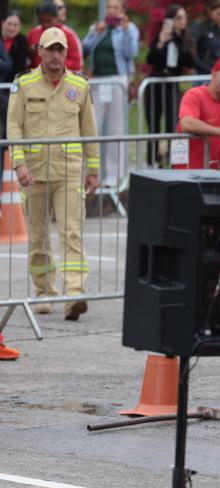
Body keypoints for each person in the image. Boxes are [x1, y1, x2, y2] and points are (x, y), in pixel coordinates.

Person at [7, 27, 100, 320]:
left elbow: (90, 130)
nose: (57, 55)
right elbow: (13, 126)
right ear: (41, 52)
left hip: (69, 170)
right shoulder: (23, 85)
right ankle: (44, 292)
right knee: (37, 237)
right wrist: (19, 163)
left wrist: (94, 169)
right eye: (52, 49)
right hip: (33, 172)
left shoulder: (79, 86)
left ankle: (74, 295)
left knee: (72, 232)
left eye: (62, 50)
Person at [82, 0, 139, 191]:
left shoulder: (129, 29)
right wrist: (96, 32)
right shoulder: (99, 28)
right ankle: (94, 172)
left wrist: (123, 31)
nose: (111, 11)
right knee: (95, 126)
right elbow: (85, 49)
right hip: (99, 81)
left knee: (116, 128)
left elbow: (131, 52)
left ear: (123, 11)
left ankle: (114, 175)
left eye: (116, 8)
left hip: (117, 80)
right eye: (109, 7)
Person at [145, 4, 196, 166]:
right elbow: (150, 59)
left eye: (184, 17)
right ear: (171, 20)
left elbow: (189, 62)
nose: (183, 21)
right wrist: (161, 42)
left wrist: (180, 39)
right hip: (155, 83)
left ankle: (171, 159)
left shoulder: (185, 39)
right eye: (179, 18)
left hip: (172, 84)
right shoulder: (162, 37)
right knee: (154, 124)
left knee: (172, 123)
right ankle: (152, 159)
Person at [26, 2, 81, 72]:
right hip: (37, 79)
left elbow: (76, 64)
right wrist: (31, 53)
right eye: (42, 21)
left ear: (56, 17)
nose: (46, 24)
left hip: (62, 78)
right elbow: (27, 61)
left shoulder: (68, 34)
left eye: (49, 21)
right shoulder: (33, 33)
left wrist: (53, 64)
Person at [0, 11, 29, 137]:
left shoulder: (22, 41)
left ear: (20, 26)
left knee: (9, 123)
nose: (11, 28)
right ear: (2, 23)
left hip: (10, 88)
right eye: (9, 24)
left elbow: (19, 68)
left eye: (15, 25)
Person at [191, 0, 220, 74]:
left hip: (218, 73)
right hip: (203, 74)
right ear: (209, 11)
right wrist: (208, 69)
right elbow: (192, 53)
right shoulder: (198, 26)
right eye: (219, 14)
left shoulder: (218, 27)